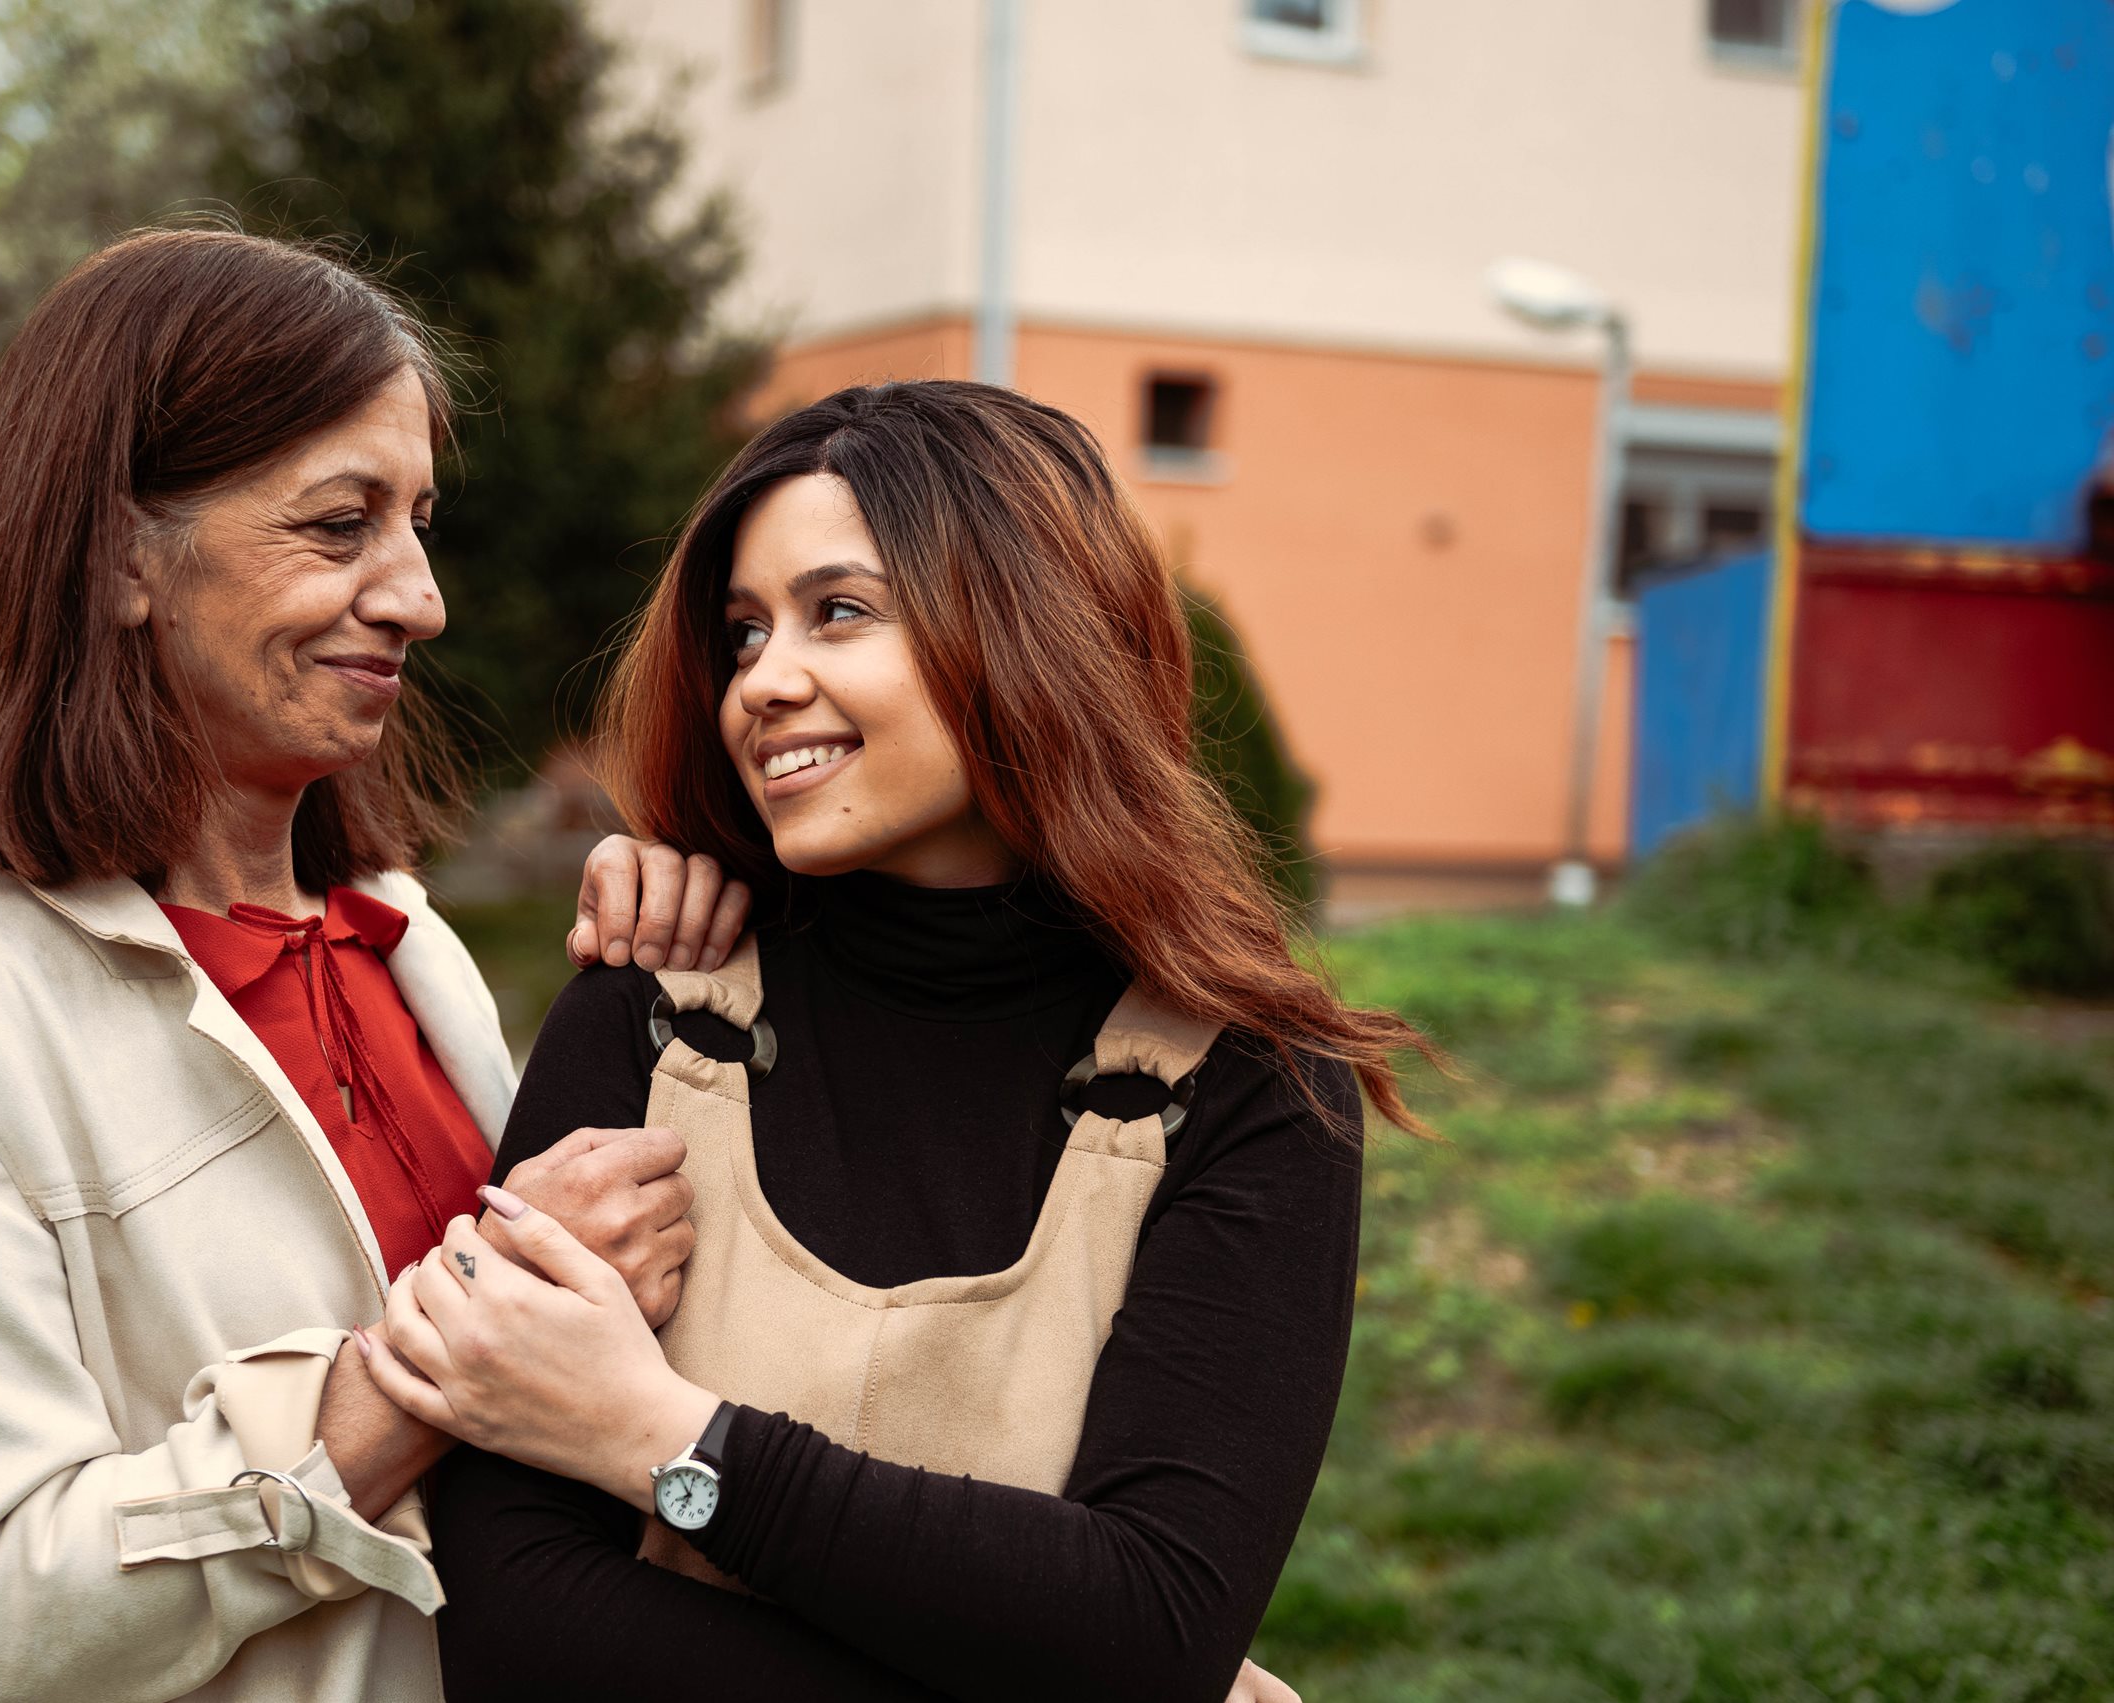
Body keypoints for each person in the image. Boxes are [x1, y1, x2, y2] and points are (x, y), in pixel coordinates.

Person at [355, 380, 1435, 1702]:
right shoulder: (647, 1011)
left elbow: (1150, 1623)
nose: (765, 681)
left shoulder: (1250, 1080)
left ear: (1026, 626)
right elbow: (516, 1632)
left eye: (840, 611)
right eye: (744, 634)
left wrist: (661, 1442)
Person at [0, 228, 744, 1703]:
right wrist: (451, 1342)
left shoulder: (404, 943)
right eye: (337, 526)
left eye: (420, 521)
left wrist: (690, 958)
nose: (419, 597)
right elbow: (3, 1619)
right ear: (121, 558)